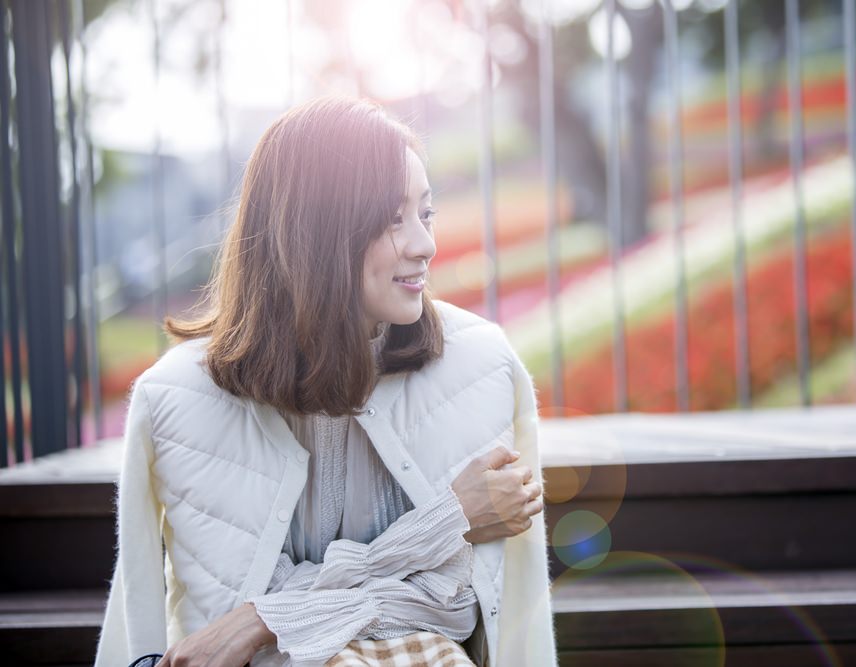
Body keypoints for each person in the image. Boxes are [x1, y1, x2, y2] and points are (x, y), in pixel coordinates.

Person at [95, 96, 558, 667]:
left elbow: (455, 604)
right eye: (392, 218)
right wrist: (447, 521)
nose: (424, 244)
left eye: (425, 213)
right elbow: (216, 630)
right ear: (314, 231)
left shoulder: (478, 366)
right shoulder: (182, 400)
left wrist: (265, 619)